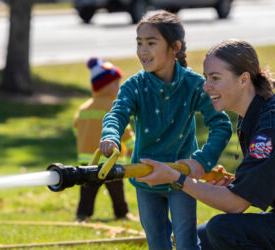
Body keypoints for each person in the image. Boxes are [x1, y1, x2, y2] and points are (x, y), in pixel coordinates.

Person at [136, 39, 275, 249]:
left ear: (243, 79)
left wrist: (176, 178)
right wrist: (234, 185)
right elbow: (264, 181)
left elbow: (236, 204)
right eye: (206, 78)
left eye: (215, 78)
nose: (206, 86)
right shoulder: (256, 115)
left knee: (222, 230)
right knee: (202, 235)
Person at [99, 11, 232, 249]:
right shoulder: (134, 86)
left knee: (186, 242)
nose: (142, 50)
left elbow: (221, 124)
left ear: (175, 47)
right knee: (157, 243)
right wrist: (110, 135)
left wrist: (202, 161)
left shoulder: (193, 85)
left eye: (151, 43)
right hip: (144, 178)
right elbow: (117, 114)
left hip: (181, 179)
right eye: (139, 43)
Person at [73, 57, 136, 222]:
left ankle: (82, 215)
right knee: (116, 189)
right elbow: (125, 131)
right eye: (116, 83)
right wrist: (133, 147)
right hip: (111, 160)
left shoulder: (83, 108)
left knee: (87, 189)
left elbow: (75, 127)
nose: (119, 87)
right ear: (103, 86)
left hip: (87, 160)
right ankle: (122, 213)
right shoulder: (114, 107)